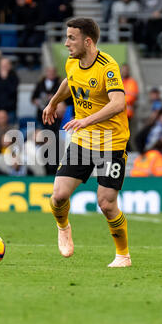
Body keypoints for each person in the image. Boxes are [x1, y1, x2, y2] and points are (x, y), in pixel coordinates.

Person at [42, 17, 131, 268]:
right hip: (84, 140)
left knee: (106, 203)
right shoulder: (72, 61)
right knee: (58, 196)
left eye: (72, 37)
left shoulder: (107, 66)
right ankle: (63, 227)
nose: (66, 42)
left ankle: (123, 255)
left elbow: (118, 103)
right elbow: (69, 82)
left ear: (88, 41)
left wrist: (86, 120)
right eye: (67, 36)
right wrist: (53, 102)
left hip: (111, 142)